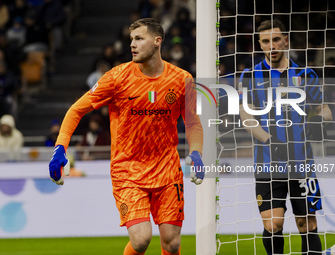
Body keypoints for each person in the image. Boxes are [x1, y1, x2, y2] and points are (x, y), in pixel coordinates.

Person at [48, 18, 204, 255]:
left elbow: (192, 122)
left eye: (139, 38)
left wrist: (196, 153)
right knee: (141, 240)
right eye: (131, 39)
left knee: (171, 243)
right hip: (128, 171)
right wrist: (60, 148)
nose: (132, 44)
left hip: (167, 169)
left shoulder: (182, 79)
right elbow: (76, 110)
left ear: (157, 42)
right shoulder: (117, 77)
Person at [239, 19, 333, 255]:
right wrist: (270, 140)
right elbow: (246, 117)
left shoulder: (305, 74)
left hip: (303, 164)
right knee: (274, 224)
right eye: (266, 41)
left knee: (307, 224)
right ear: (260, 45)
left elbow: (324, 108)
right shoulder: (250, 76)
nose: (272, 46)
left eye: (276, 39)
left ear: (286, 40)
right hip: (267, 164)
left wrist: (319, 121)